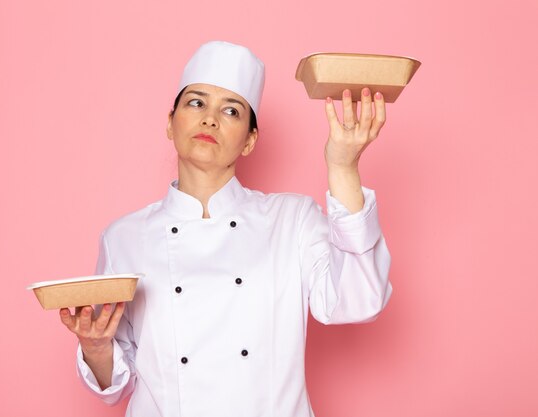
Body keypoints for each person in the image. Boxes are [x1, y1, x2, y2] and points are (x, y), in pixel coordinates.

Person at [59, 40, 392, 417]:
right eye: (196, 103)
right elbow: (116, 387)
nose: (210, 119)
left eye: (231, 110)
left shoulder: (291, 219)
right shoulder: (124, 237)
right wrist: (97, 349)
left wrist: (343, 167)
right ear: (170, 123)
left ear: (250, 141)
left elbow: (360, 299)